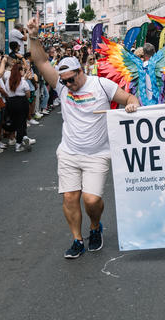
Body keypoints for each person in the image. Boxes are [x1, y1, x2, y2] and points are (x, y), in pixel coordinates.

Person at [27, 13, 139, 259]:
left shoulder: (101, 85)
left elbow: (130, 98)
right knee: (69, 197)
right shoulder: (61, 85)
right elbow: (41, 62)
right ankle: (77, 240)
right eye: (64, 82)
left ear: (80, 71)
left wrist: (131, 105)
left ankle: (95, 226)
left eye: (72, 80)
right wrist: (33, 38)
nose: (69, 85)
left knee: (91, 200)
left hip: (97, 154)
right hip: (69, 152)